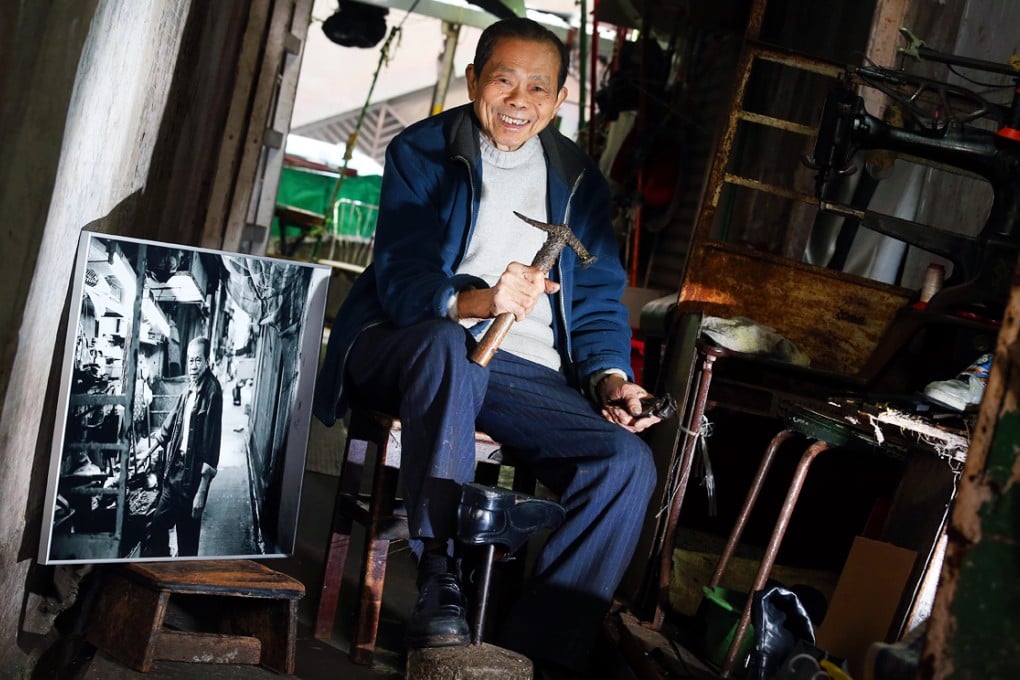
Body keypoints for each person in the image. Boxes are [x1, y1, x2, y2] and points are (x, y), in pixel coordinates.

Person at [313, 17, 661, 676]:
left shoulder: (580, 181)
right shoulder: (426, 150)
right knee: (448, 347)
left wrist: (612, 379)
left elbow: (594, 306)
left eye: (538, 87)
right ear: (474, 81)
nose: (518, 100)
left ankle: (536, 652)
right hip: (407, 339)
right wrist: (482, 301)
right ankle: (440, 574)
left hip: (521, 373)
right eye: (503, 80)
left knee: (625, 463)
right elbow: (405, 276)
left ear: (559, 101)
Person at [143, 336, 222, 557]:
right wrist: (148, 451)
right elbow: (172, 421)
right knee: (157, 526)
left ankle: (180, 579)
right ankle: (162, 569)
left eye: (198, 360)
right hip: (174, 472)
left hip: (192, 479)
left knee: (187, 544)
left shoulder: (212, 393)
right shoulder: (189, 389)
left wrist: (202, 492)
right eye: (190, 360)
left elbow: (213, 444)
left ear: (207, 361)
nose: (193, 366)